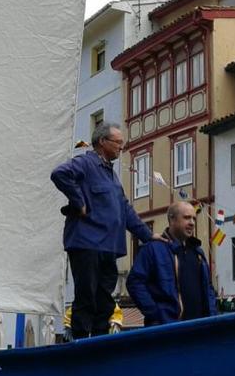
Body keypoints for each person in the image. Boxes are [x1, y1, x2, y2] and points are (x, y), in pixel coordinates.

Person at [51, 122, 162, 339]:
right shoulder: (86, 162)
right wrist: (78, 201)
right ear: (102, 142)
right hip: (87, 242)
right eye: (118, 142)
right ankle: (81, 344)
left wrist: (148, 236)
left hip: (109, 246)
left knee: (105, 300)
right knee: (86, 296)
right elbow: (59, 173)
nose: (122, 147)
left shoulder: (112, 176)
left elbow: (125, 209)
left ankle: (101, 341)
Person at [126, 201, 218, 326]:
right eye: (186, 217)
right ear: (172, 219)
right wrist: (155, 314)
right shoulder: (153, 249)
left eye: (194, 219)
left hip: (201, 329)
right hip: (168, 330)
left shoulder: (198, 253)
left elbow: (208, 288)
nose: (192, 223)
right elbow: (134, 282)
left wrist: (212, 316)